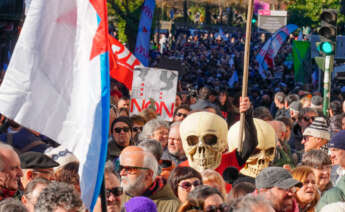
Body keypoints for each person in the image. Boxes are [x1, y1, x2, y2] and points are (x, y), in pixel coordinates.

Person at [119, 146, 180, 212]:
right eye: (121, 168)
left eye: (129, 169)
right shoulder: (117, 199)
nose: (122, 173)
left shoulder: (173, 207)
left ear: (148, 174)